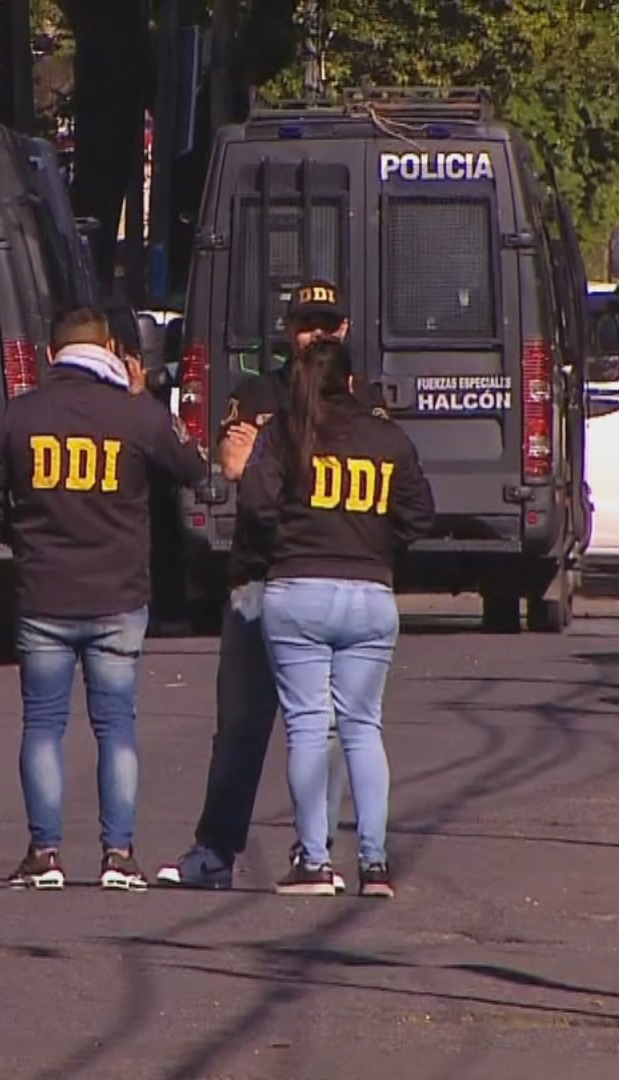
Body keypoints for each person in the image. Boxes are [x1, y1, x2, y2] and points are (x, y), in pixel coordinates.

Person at [0, 305, 206, 892]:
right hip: (118, 595)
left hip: (43, 591)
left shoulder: (18, 417)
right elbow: (191, 467)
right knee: (116, 726)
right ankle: (118, 855)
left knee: (44, 725)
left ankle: (44, 854)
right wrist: (144, 393)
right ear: (109, 349)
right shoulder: (134, 415)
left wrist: (21, 536)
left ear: (52, 355)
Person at [155, 280, 356, 891]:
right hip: (256, 581)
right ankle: (215, 853)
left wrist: (268, 463)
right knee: (239, 725)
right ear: (287, 329)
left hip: (324, 579)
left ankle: (313, 855)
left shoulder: (356, 396)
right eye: (305, 324)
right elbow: (231, 462)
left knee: (322, 728)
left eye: (327, 324)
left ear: (342, 330)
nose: (315, 335)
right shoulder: (256, 392)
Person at [237, 338, 435, 897]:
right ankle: (375, 864)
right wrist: (379, 543)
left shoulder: (285, 432)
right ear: (351, 383)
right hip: (370, 592)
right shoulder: (386, 438)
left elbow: (255, 502)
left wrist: (288, 539)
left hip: (298, 588)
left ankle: (315, 861)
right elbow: (420, 513)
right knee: (363, 727)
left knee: (306, 723)